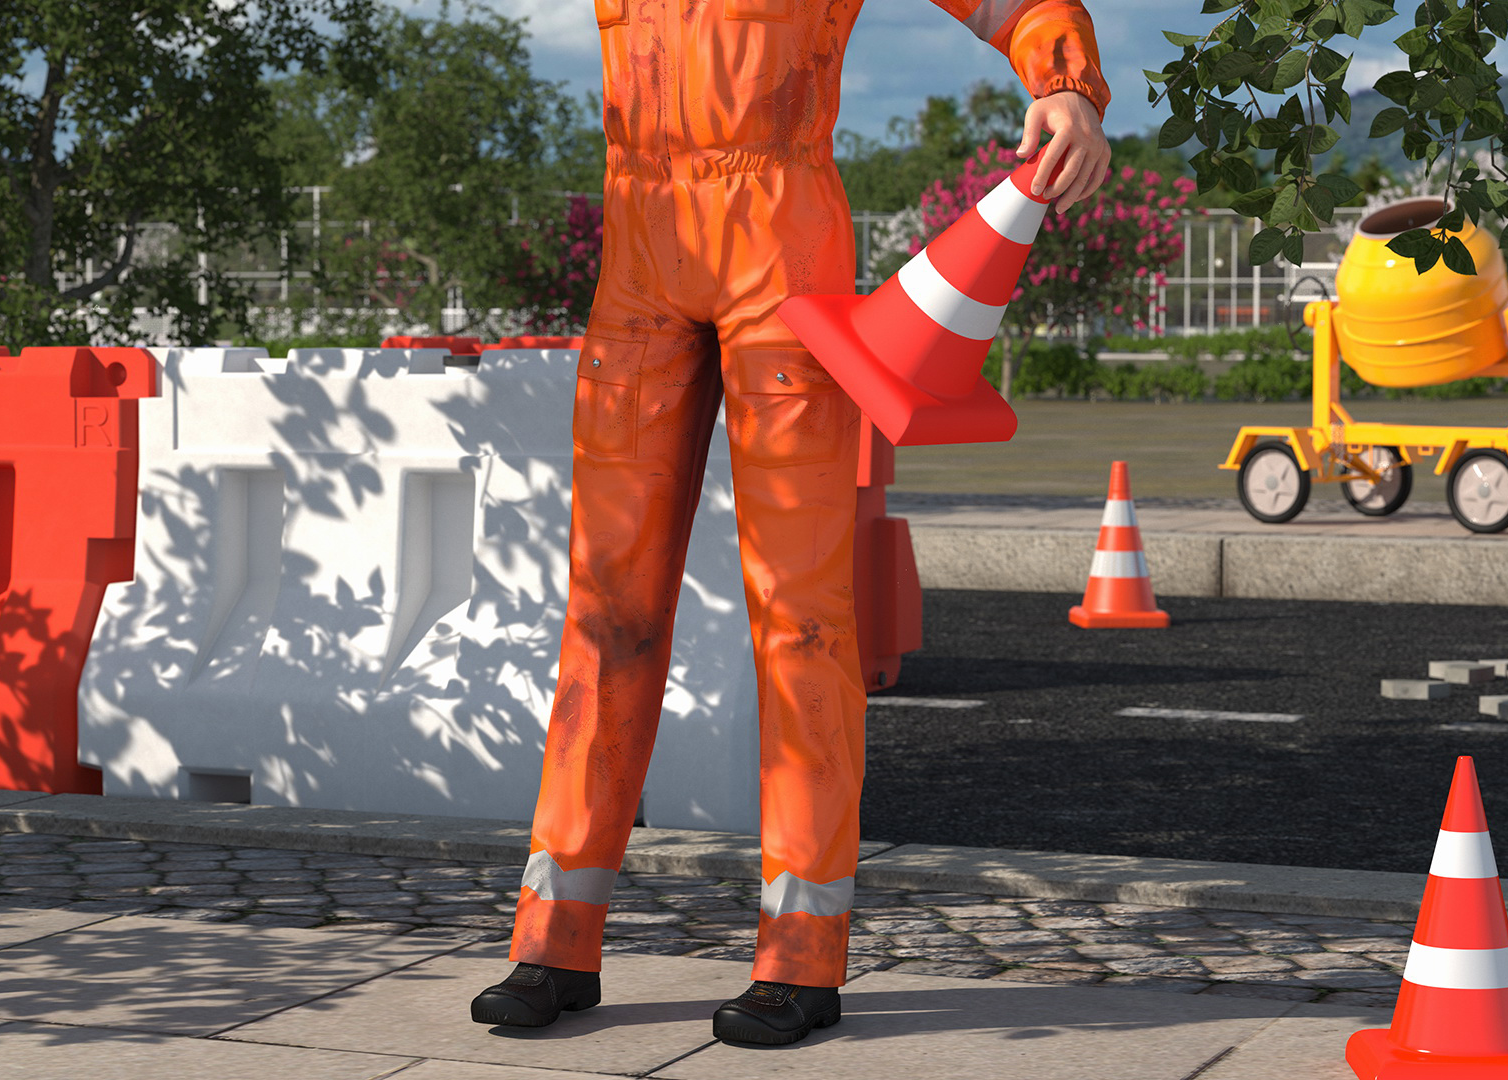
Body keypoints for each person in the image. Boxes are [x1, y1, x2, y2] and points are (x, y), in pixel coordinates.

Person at [471, 0, 1111, 1046]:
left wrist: (1064, 82)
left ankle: (801, 960)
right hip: (639, 244)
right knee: (606, 612)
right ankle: (552, 943)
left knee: (801, 618)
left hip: (778, 233)